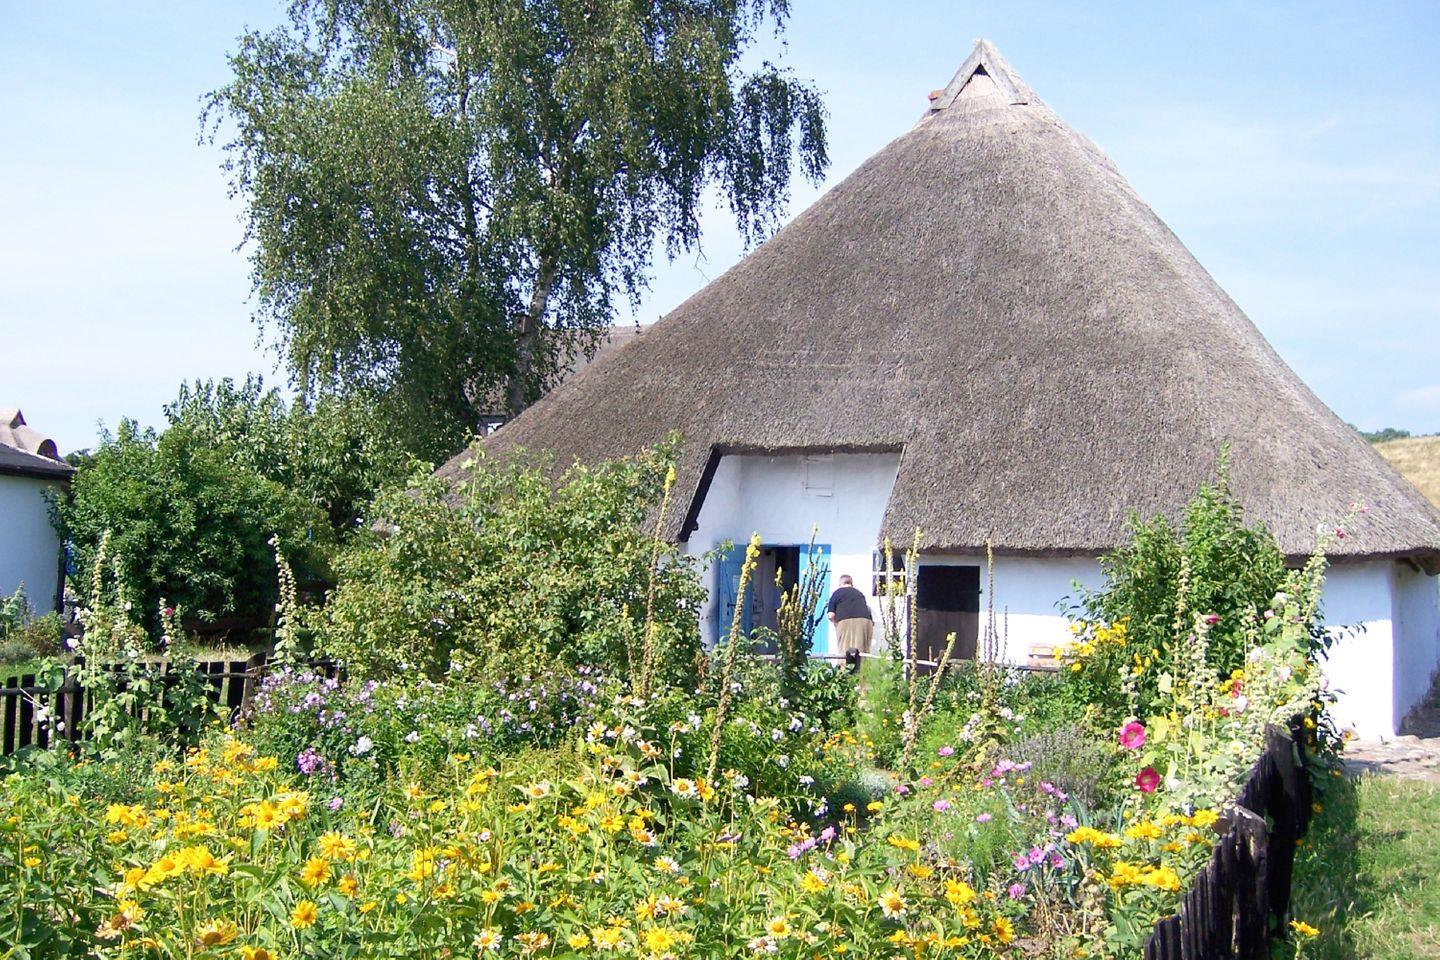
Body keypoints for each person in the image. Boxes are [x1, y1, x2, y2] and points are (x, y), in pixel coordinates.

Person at [826, 574, 874, 655]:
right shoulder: (859, 593)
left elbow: (830, 615)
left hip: (845, 621)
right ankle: (864, 663)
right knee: (862, 652)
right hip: (865, 621)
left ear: (840, 583)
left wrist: (835, 623)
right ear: (851, 583)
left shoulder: (837, 593)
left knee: (845, 651)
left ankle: (844, 663)